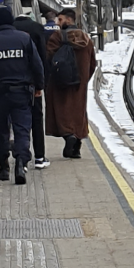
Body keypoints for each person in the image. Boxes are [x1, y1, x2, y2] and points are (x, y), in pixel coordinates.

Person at [0, 6, 44, 185]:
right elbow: (37, 65)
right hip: (22, 91)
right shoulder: (24, 39)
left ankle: (4, 166)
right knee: (22, 129)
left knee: (1, 130)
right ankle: (21, 161)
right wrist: (39, 86)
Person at [45, 8, 97, 159]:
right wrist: (84, 78)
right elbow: (93, 63)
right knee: (78, 112)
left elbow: (49, 57)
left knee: (61, 111)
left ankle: (68, 136)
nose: (58, 23)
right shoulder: (86, 39)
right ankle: (77, 147)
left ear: (68, 20)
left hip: (60, 82)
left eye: (60, 20)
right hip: (79, 84)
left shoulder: (57, 37)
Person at [13, 11, 51, 169]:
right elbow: (42, 56)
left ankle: (21, 157)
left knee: (17, 121)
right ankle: (40, 157)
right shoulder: (37, 28)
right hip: (32, 83)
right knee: (36, 119)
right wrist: (42, 84)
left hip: (13, 82)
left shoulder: (10, 29)